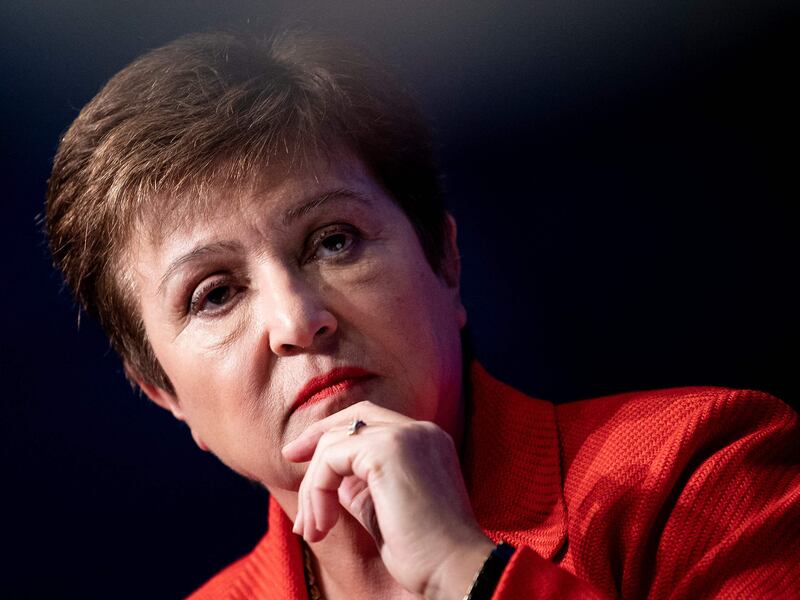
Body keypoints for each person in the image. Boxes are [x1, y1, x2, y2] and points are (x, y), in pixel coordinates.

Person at [45, 30, 799, 600]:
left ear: (446, 259)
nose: (297, 320)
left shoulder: (696, 474)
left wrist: (462, 569)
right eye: (215, 293)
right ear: (164, 395)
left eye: (332, 241)